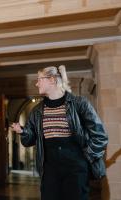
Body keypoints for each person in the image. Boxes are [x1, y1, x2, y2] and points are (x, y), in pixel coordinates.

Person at [11, 65, 108, 200]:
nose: (36, 83)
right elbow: (28, 141)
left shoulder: (79, 104)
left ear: (52, 80)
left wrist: (87, 158)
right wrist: (22, 131)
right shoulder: (37, 111)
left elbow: (100, 135)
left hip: (76, 169)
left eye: (39, 79)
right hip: (50, 170)